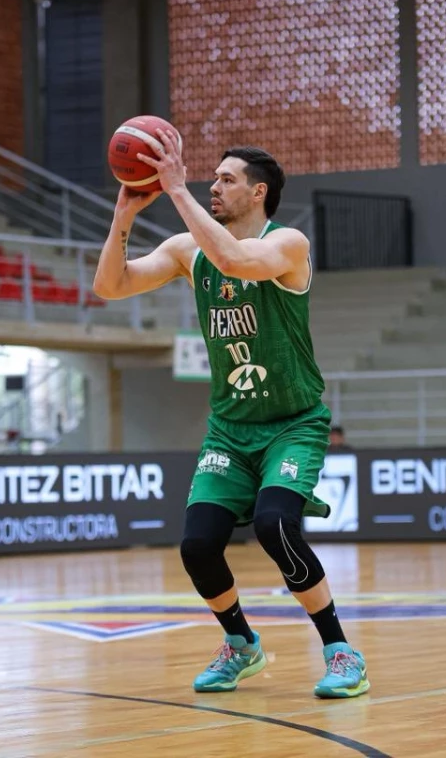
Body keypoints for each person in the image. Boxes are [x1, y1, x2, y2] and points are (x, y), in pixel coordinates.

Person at [92, 137, 369, 699]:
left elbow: (236, 261)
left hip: (292, 423)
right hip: (230, 429)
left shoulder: (287, 244)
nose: (213, 187)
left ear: (258, 192)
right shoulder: (187, 251)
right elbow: (109, 286)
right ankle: (241, 644)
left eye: (226, 180)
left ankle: (341, 652)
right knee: (197, 546)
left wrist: (176, 190)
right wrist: (123, 214)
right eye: (212, 179)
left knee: (274, 526)